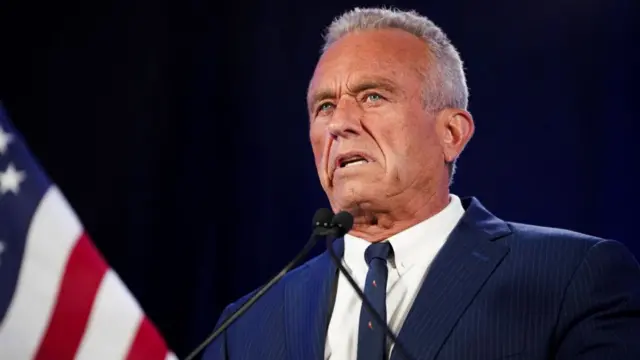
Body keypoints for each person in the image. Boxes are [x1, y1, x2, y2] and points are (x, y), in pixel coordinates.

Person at [202, 7, 640, 360]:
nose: (340, 123)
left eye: (372, 96)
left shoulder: (571, 278)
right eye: (324, 106)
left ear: (451, 134)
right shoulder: (245, 325)